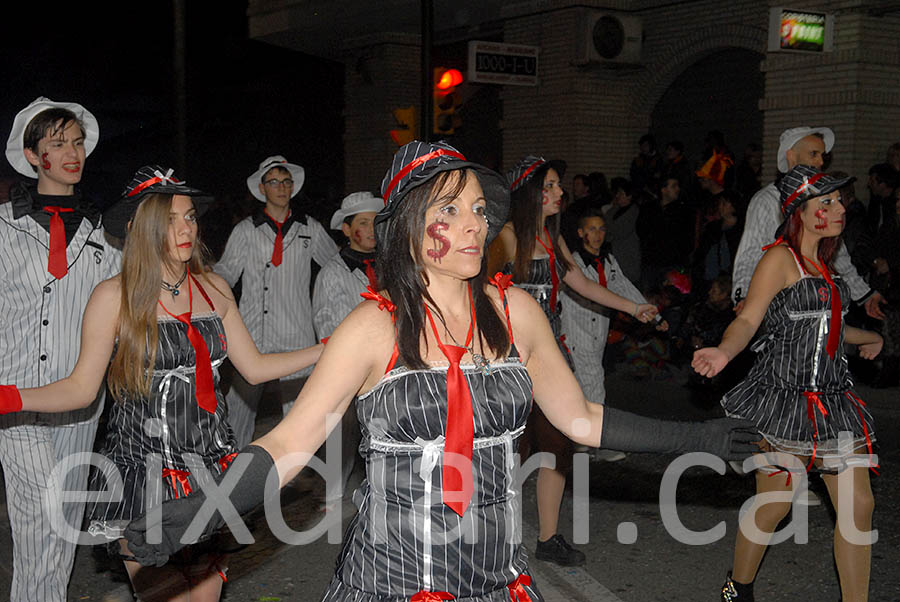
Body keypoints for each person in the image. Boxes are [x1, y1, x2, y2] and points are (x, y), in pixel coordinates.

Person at [113, 141, 757, 601]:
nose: (473, 225)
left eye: (478, 209)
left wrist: (693, 440)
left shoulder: (517, 313)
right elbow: (286, 445)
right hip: (394, 578)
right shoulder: (373, 328)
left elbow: (581, 418)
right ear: (410, 228)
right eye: (448, 212)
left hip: (495, 577)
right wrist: (196, 513)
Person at [0, 165, 323, 602]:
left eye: (190, 216)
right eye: (170, 219)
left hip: (210, 473)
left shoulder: (214, 289)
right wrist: (10, 396)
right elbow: (79, 389)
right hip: (143, 476)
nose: (185, 227)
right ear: (140, 228)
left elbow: (257, 367)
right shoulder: (114, 297)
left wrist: (333, 348)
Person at [693, 165, 882, 602]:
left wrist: (866, 335)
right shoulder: (780, 258)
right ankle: (737, 586)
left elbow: (828, 328)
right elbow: (747, 319)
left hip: (834, 401)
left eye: (839, 201)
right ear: (801, 211)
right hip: (786, 401)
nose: (839, 209)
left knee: (859, 508)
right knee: (774, 506)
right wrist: (724, 351)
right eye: (826, 203)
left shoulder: (826, 263)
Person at [488, 155, 658, 566]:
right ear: (530, 194)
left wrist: (631, 308)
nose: (560, 192)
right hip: (510, 358)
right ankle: (494, 538)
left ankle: (547, 538)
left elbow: (580, 282)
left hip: (550, 354)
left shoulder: (551, 237)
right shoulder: (506, 238)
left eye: (558, 185)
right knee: (508, 449)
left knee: (558, 444)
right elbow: (478, 294)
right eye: (550, 185)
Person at [0, 97, 120, 601]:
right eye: (56, 143)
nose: (72, 152)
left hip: (80, 404)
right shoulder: (3, 228)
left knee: (64, 528)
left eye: (77, 142)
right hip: (15, 404)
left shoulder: (108, 236)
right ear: (32, 156)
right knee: (38, 531)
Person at [215, 155, 338, 448]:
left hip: (297, 334)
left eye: (286, 182)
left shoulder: (310, 228)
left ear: (293, 187)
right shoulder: (246, 230)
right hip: (253, 333)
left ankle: (290, 470)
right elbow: (226, 273)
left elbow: (336, 267)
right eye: (274, 182)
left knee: (299, 412)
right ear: (262, 189)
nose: (281, 188)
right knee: (239, 410)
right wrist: (201, 280)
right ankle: (232, 465)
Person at [731, 127, 885, 320]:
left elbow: (837, 252)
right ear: (791, 156)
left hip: (817, 303)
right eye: (814, 154)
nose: (820, 162)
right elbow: (751, 252)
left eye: (822, 156)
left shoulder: (823, 197)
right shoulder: (768, 200)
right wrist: (744, 296)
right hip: (781, 308)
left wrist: (864, 293)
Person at [560, 209, 666, 460]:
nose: (597, 235)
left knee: (583, 383)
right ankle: (599, 442)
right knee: (593, 382)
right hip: (577, 331)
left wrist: (653, 315)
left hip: (599, 331)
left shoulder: (608, 261)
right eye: (591, 229)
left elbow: (623, 287)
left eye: (601, 229)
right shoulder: (573, 264)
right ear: (580, 233)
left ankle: (580, 439)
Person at [311, 190, 383, 505]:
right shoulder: (332, 274)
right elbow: (327, 327)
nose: (371, 229)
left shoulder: (388, 265)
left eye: (375, 222)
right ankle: (334, 495)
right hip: (352, 367)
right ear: (346, 229)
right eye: (363, 223)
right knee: (344, 433)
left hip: (386, 365)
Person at [602, 177, 642, 283]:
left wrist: (608, 232)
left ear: (629, 196)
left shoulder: (634, 212)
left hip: (626, 256)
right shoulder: (614, 210)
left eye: (621, 193)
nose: (617, 196)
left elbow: (619, 231)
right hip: (613, 255)